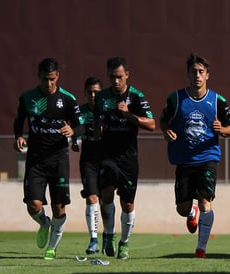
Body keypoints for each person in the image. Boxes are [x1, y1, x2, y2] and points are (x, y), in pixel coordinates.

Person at [159, 53, 230, 258]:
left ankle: (201, 248)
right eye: (194, 72)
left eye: (201, 72)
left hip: (208, 157)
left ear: (208, 75)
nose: (197, 75)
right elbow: (163, 121)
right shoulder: (175, 98)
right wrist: (166, 132)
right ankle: (190, 212)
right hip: (184, 159)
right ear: (188, 74)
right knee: (182, 209)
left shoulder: (218, 101)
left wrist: (223, 129)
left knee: (205, 200)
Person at [13, 58, 84, 260]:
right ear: (39, 76)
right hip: (35, 160)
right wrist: (18, 135)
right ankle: (44, 223)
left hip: (59, 160)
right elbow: (19, 121)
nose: (49, 83)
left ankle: (52, 248)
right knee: (33, 205)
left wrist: (73, 130)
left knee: (59, 208)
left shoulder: (68, 99)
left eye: (52, 79)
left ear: (57, 77)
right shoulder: (28, 97)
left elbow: (82, 125)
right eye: (45, 79)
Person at [94, 57, 155, 259]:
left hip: (128, 158)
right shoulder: (101, 97)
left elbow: (152, 124)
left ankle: (124, 243)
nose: (116, 81)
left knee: (127, 204)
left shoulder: (136, 97)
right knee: (106, 193)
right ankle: (109, 235)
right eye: (112, 77)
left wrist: (129, 115)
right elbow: (96, 122)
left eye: (119, 76)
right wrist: (95, 132)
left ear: (127, 75)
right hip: (107, 155)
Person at [72, 77, 103, 254]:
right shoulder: (81, 111)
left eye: (96, 92)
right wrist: (74, 138)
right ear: (85, 93)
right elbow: (77, 127)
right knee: (92, 198)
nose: (93, 95)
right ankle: (93, 240)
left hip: (108, 160)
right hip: (89, 161)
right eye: (90, 92)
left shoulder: (107, 110)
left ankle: (108, 236)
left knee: (106, 200)